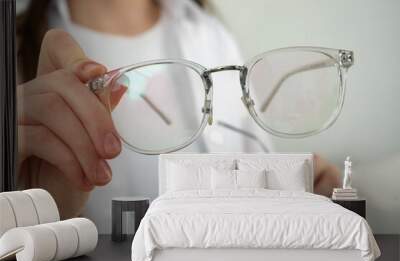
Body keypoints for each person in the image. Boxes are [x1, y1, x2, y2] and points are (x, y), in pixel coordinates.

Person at [16, 0, 340, 231]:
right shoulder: (19, 64)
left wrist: (296, 195)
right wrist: (23, 212)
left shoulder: (209, 32)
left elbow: (251, 174)